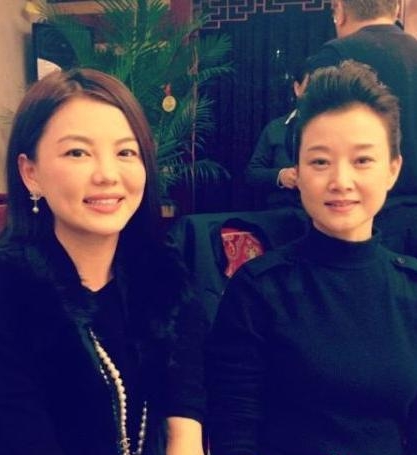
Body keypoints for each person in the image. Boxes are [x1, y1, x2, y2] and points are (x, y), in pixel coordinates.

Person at [206, 60, 417, 455]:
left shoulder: (410, 290)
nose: (340, 181)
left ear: (392, 170)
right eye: (320, 161)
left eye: (362, 160)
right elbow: (234, 430)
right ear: (297, 173)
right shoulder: (258, 290)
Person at [0, 68, 207, 455]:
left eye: (125, 152)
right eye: (77, 152)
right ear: (31, 173)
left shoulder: (164, 278)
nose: (108, 175)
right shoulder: (11, 294)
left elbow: (185, 415)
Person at [307, 0, 417, 254]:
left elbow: (310, 136)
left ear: (339, 10)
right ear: (396, 9)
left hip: (363, 219)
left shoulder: (335, 55)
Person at [243, 63, 309, 210]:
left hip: (325, 215)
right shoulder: (275, 128)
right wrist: (281, 176)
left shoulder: (338, 131)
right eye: (310, 88)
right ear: (297, 88)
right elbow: (252, 174)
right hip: (281, 213)